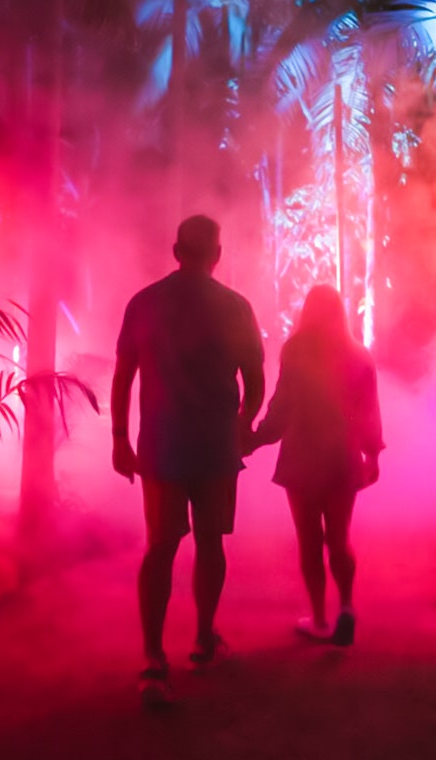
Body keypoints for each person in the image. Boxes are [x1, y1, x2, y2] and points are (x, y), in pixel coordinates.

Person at [111, 215, 265, 707]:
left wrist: (119, 438)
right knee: (210, 542)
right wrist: (243, 425)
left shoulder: (144, 303)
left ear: (176, 249)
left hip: (160, 445)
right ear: (218, 254)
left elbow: (123, 376)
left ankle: (154, 658)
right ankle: (203, 639)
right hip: (215, 448)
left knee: (160, 547)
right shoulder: (236, 307)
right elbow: (256, 380)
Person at [246, 285, 383, 646]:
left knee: (310, 540)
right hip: (343, 455)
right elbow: (369, 409)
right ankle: (348, 608)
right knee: (340, 537)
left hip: (302, 456)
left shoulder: (296, 351)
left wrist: (256, 437)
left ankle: (320, 619)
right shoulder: (357, 355)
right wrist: (373, 454)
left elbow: (283, 405)